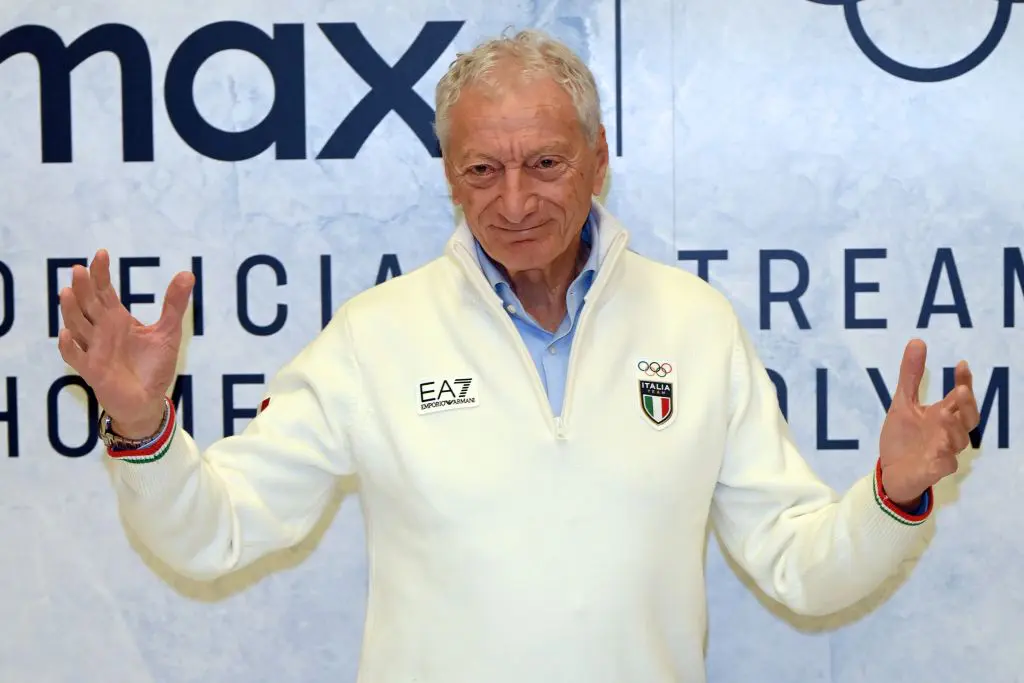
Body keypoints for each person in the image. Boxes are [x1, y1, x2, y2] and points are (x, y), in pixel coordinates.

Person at [57, 29, 979, 683]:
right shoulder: (375, 336)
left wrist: (893, 492)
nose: (514, 202)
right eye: (482, 170)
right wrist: (141, 427)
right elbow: (213, 532)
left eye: (544, 163)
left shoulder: (695, 326)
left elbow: (800, 566)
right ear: (449, 176)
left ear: (598, 158)